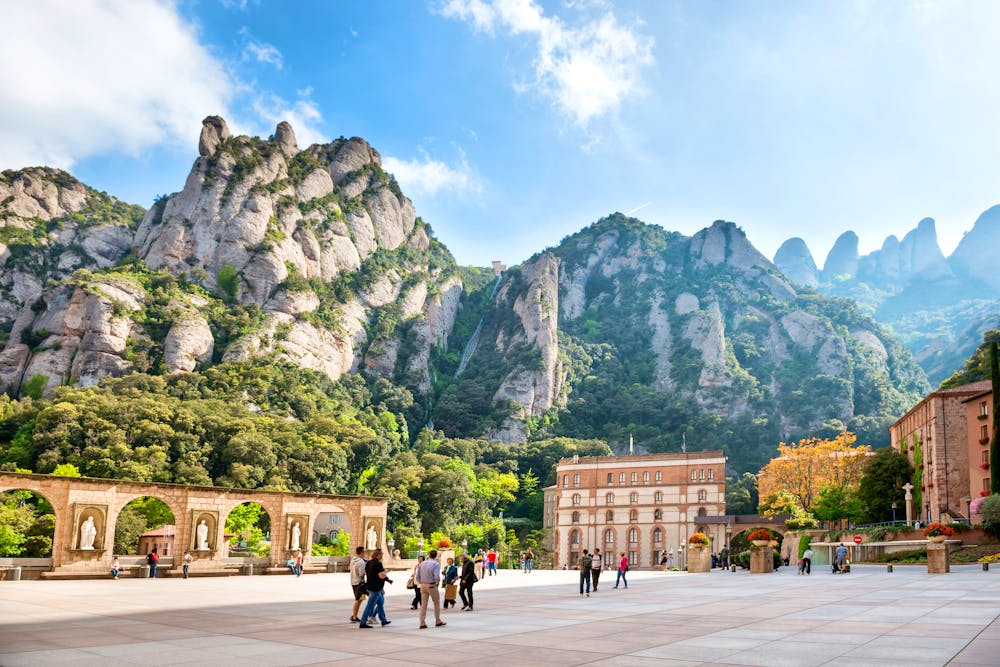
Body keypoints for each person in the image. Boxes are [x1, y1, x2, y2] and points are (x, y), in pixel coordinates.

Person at [359, 549, 391, 628]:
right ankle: (363, 622)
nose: (382, 556)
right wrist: (386, 571)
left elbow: (367, 573)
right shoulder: (378, 563)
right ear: (378, 555)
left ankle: (383, 620)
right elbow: (381, 576)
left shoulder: (369, 562)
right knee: (370, 605)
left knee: (380, 603)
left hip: (370, 586)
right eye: (381, 555)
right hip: (375, 588)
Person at [415, 549, 447, 629]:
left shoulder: (422, 564)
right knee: (436, 603)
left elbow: (417, 576)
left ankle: (422, 623)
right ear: (435, 556)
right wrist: (437, 582)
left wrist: (422, 582)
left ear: (429, 555)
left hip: (423, 585)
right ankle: (438, 621)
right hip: (431, 585)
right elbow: (436, 576)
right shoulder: (435, 564)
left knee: (423, 604)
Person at [349, 546, 366, 623]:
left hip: (353, 581)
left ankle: (354, 615)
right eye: (364, 552)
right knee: (358, 599)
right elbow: (361, 574)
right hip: (360, 583)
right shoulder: (361, 562)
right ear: (362, 552)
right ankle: (354, 616)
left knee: (360, 598)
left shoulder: (353, 560)